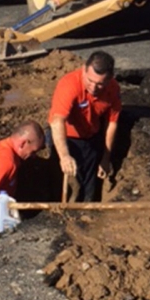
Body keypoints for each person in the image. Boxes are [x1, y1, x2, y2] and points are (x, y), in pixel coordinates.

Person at [48, 51, 121, 202]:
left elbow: (112, 123)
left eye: (100, 84)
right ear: (84, 69)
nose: (94, 88)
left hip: (90, 138)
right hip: (65, 137)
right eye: (90, 81)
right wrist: (64, 156)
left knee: (89, 182)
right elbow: (57, 121)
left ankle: (86, 211)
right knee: (61, 182)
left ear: (109, 79)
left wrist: (106, 158)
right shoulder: (70, 84)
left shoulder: (113, 89)